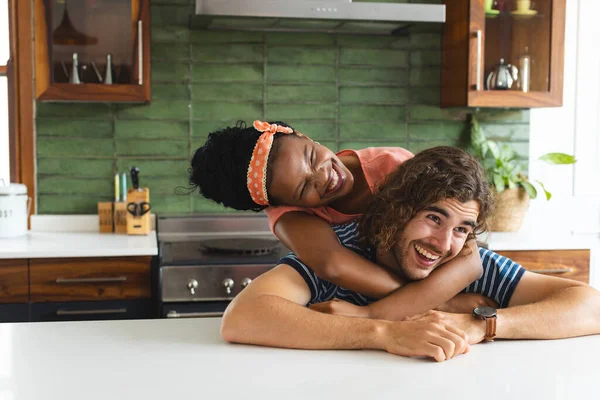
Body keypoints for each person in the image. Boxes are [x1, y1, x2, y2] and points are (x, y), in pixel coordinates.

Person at [220, 146, 600, 362]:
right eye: (434, 217)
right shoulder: (341, 248)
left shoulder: (461, 261)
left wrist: (479, 324)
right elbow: (242, 317)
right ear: (396, 209)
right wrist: (384, 331)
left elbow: (591, 306)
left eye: (462, 229)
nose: (442, 242)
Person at [190, 120, 483, 318]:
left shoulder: (393, 166)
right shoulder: (288, 217)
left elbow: (470, 258)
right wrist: (440, 302)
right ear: (283, 204)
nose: (324, 176)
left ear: (304, 137)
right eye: (304, 188)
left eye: (311, 157)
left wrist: (421, 303)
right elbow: (334, 265)